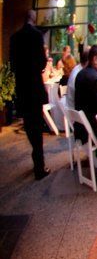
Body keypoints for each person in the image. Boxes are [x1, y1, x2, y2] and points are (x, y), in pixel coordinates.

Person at [10, 10, 49, 179]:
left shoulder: (14, 37)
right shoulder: (36, 35)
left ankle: (36, 157)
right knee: (37, 125)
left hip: (22, 86)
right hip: (34, 85)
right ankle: (39, 166)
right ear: (33, 18)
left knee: (28, 123)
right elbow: (41, 62)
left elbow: (12, 64)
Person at [74, 45, 97, 145]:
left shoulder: (82, 73)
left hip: (81, 124)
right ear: (95, 60)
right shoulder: (95, 78)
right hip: (93, 127)